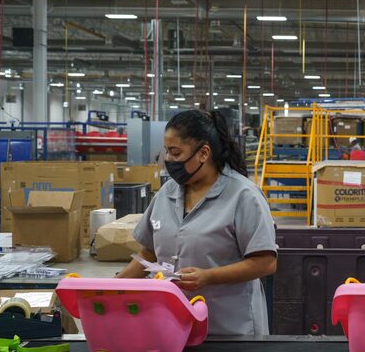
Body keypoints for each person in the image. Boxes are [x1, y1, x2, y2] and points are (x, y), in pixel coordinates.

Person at [117, 109, 277, 335]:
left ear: (203, 153)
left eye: (176, 153)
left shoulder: (243, 196)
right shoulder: (167, 193)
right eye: (167, 152)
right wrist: (111, 287)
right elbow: (149, 253)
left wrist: (208, 277)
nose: (169, 160)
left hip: (228, 329)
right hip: (173, 327)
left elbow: (265, 262)